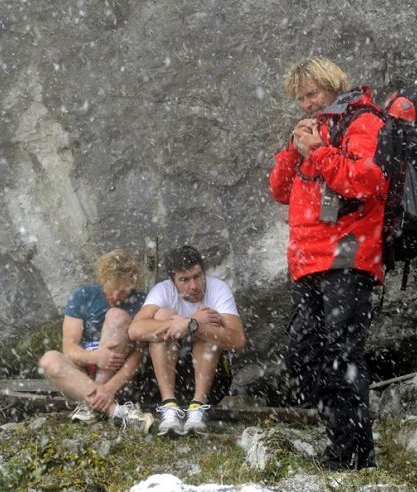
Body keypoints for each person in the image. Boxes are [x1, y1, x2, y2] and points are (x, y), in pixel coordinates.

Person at [268, 56, 388, 470]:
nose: (305, 103)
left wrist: (317, 149)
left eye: (312, 94)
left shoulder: (362, 121)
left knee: (342, 355)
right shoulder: (312, 130)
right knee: (303, 353)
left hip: (347, 254)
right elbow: (280, 190)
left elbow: (365, 181)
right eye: (300, 97)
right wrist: (294, 147)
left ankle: (351, 455)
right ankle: (345, 441)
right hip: (307, 260)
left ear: (332, 86)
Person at [128, 245, 246, 436]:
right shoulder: (163, 291)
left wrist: (193, 326)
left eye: (197, 276)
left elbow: (238, 339)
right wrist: (175, 324)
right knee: (162, 317)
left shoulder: (218, 289)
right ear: (172, 281)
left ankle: (197, 408)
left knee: (210, 325)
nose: (193, 286)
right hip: (166, 379)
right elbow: (134, 330)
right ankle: (169, 407)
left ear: (204, 272)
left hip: (211, 381)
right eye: (184, 280)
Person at [38, 249, 153, 430]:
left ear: (133, 284)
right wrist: (96, 357)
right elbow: (69, 348)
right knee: (48, 360)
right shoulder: (83, 296)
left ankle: (92, 403)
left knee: (116, 315)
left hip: (119, 377)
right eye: (112, 290)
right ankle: (116, 411)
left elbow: (139, 356)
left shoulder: (143, 302)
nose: (116, 297)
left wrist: (109, 389)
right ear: (103, 279)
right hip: (81, 375)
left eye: (123, 291)